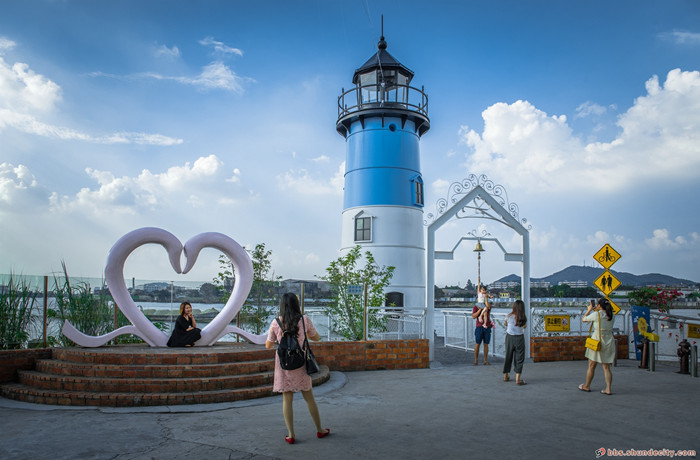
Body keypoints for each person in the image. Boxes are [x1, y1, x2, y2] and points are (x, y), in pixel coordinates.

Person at [266, 292, 330, 444]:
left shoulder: (276, 322)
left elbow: (268, 345)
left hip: (284, 365)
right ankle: (320, 430)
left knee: (287, 399)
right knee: (309, 398)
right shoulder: (304, 319)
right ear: (296, 304)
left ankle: (291, 435)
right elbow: (316, 337)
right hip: (301, 363)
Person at [578, 298, 615, 395]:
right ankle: (608, 388)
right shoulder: (612, 315)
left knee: (591, 365)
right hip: (609, 341)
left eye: (597, 305)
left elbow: (584, 319)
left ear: (599, 306)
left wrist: (589, 310)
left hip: (597, 342)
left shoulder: (596, 315)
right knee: (606, 367)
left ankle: (586, 386)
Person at [503, 300, 527, 385]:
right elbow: (525, 326)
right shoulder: (523, 317)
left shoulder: (509, 316)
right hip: (520, 338)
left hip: (509, 337)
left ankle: (505, 375)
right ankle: (518, 379)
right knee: (519, 357)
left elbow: (505, 324)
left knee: (508, 356)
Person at [471, 280, 493, 365]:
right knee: (477, 344)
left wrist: (486, 298)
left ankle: (485, 360)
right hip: (479, 326)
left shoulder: (487, 305)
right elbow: (473, 316)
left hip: (486, 326)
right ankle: (476, 360)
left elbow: (488, 306)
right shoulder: (476, 306)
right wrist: (479, 310)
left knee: (486, 344)